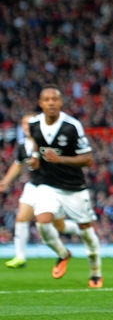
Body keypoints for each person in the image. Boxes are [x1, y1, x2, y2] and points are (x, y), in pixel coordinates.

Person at [28, 85, 104, 288]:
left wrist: (59, 159)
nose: (51, 103)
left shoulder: (72, 126)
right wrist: (35, 158)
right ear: (41, 103)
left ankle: (95, 272)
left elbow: (88, 159)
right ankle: (63, 254)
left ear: (61, 102)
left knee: (86, 231)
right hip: (47, 184)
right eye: (47, 100)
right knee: (42, 222)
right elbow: (36, 143)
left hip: (73, 187)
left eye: (55, 99)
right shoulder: (34, 124)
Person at [2, 113, 81, 268]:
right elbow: (18, 164)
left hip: (52, 187)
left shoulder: (48, 142)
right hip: (34, 186)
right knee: (21, 217)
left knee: (59, 226)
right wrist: (5, 182)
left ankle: (82, 229)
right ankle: (20, 257)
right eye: (24, 124)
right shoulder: (23, 145)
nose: (27, 127)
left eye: (29, 123)